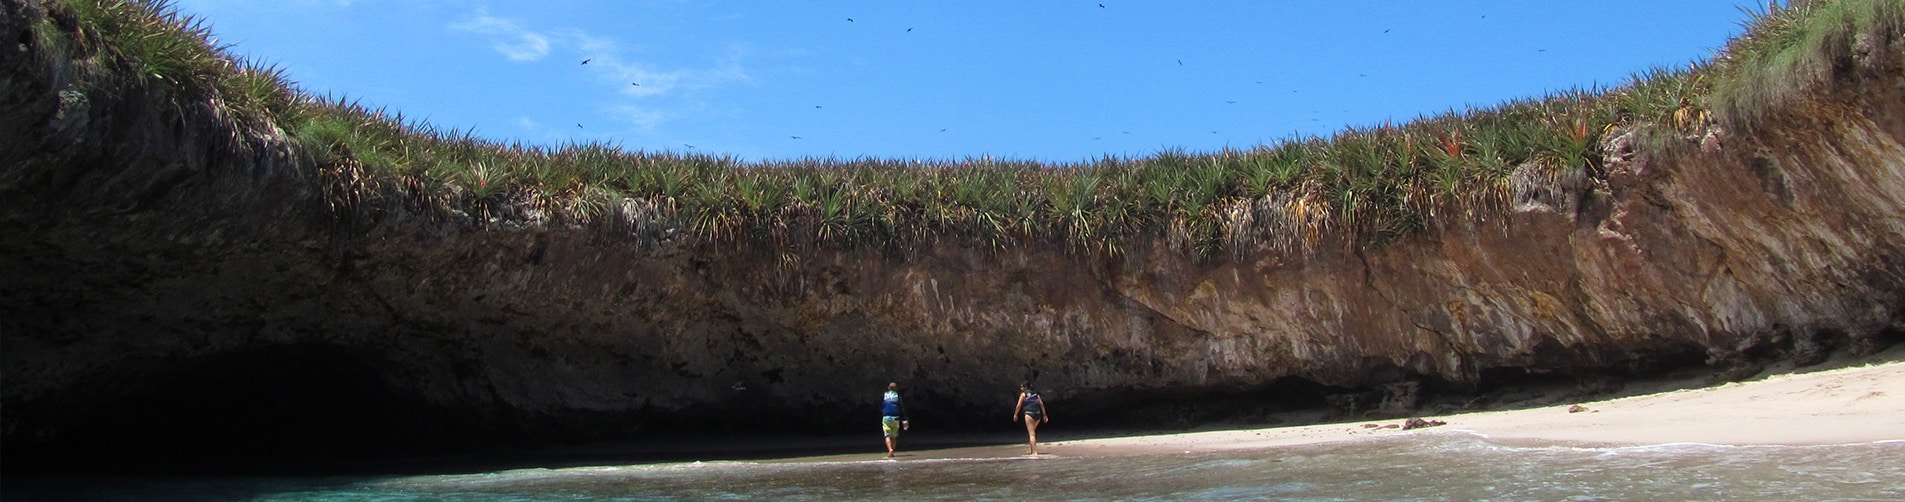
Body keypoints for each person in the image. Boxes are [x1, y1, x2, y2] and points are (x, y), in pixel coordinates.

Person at [1012, 382, 1049, 455]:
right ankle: (1031, 450)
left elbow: (1019, 405)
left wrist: (1015, 414)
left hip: (1029, 414)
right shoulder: (1036, 394)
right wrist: (1044, 415)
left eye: (1022, 387)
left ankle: (1034, 452)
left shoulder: (1023, 394)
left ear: (1025, 387)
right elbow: (1041, 404)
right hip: (1038, 415)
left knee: (1031, 434)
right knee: (1032, 433)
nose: (1020, 388)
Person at [881, 382, 910, 458]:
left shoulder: (884, 395)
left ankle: (890, 449)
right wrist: (905, 419)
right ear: (895, 389)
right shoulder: (897, 396)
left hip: (886, 417)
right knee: (894, 436)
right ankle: (893, 450)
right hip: (895, 417)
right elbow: (902, 408)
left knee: (887, 435)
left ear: (888, 388)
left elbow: (881, 405)